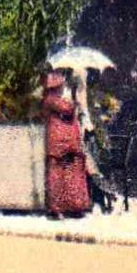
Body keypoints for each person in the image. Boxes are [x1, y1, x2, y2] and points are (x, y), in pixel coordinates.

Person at [43, 72, 92, 220]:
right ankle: (58, 207)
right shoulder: (51, 99)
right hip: (60, 141)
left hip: (67, 140)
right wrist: (75, 98)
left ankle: (74, 205)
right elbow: (68, 109)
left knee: (71, 171)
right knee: (59, 174)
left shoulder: (52, 99)